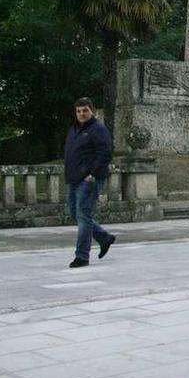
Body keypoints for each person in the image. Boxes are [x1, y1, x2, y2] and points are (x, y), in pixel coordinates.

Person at [64, 98, 115, 268]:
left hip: (89, 179)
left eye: (85, 110)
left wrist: (92, 174)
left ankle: (82, 256)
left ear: (92, 110)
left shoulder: (98, 129)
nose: (81, 114)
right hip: (74, 178)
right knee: (75, 213)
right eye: (78, 111)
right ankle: (103, 237)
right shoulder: (74, 128)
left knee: (83, 215)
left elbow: (105, 153)